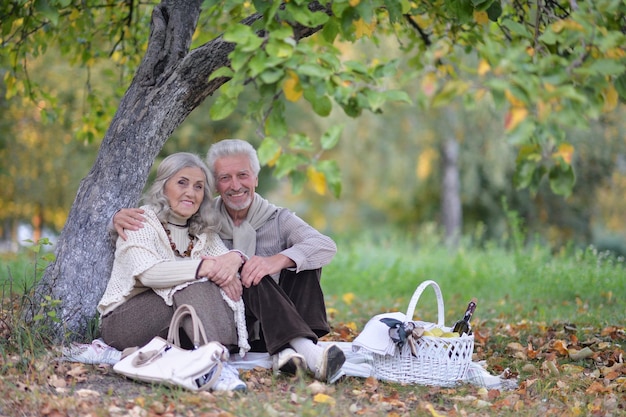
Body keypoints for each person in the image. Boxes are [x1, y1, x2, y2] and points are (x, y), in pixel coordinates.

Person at [113, 139, 346, 383]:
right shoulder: (203, 219)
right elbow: (164, 232)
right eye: (225, 178)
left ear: (255, 178)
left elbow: (324, 246)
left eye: (243, 175)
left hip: (280, 314)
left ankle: (292, 349)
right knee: (249, 270)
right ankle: (298, 350)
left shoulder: (278, 219)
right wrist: (115, 218)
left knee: (300, 261)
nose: (235, 185)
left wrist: (275, 261)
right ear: (215, 186)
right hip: (232, 315)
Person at [99, 152, 249, 391]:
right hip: (125, 322)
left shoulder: (203, 232)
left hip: (173, 321)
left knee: (202, 284)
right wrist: (204, 268)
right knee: (195, 283)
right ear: (163, 186)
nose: (191, 192)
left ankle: (216, 361)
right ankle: (217, 366)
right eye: (182, 183)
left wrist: (233, 259)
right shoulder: (140, 221)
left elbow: (226, 269)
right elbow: (149, 274)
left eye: (199, 186)